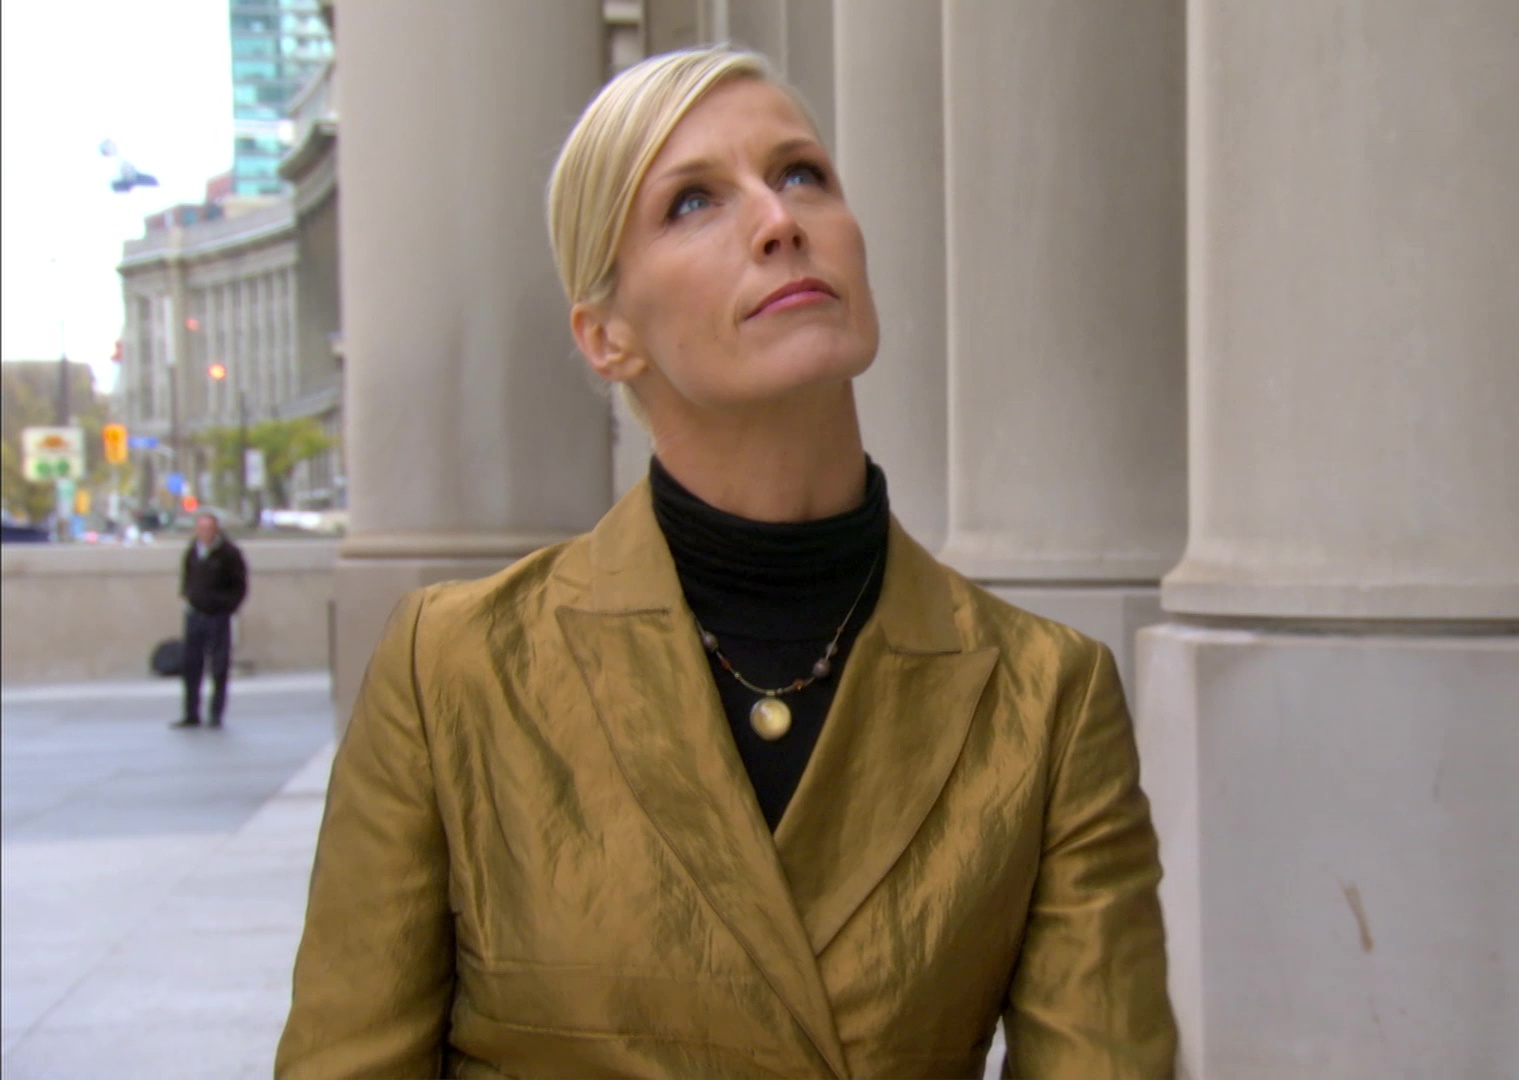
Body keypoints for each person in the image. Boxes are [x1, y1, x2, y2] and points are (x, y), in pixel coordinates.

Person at [278, 45, 1174, 1080]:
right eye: (693, 202)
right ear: (607, 336)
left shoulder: (1046, 694)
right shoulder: (455, 670)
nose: (780, 220)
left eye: (802, 174)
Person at [173, 511, 247, 728]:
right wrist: (187, 596)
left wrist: (227, 606)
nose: (204, 532)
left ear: (216, 530)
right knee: (191, 666)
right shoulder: (192, 551)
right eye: (201, 528)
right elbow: (187, 577)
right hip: (195, 615)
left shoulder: (229, 553)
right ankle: (191, 713)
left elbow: (239, 585)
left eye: (208, 528)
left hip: (218, 616)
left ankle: (216, 714)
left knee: (219, 666)